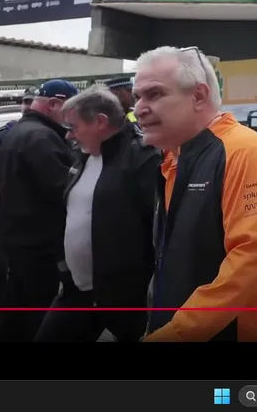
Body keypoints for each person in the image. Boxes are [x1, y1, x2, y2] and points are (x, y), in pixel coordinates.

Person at [134, 46, 257, 342]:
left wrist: (177, 332)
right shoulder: (172, 158)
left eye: (154, 94)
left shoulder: (244, 151)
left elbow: (251, 256)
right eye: (138, 96)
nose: (139, 108)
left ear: (199, 95)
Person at [35, 86, 159, 342]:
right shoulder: (82, 157)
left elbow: (158, 228)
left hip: (123, 297)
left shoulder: (141, 158)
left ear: (101, 122)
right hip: (77, 290)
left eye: (73, 127)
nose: (69, 135)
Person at [0, 79, 79, 343]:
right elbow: (62, 189)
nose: (73, 117)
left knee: (17, 306)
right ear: (53, 105)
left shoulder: (21, 131)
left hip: (19, 237)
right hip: (39, 243)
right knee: (36, 310)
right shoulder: (42, 137)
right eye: (71, 108)